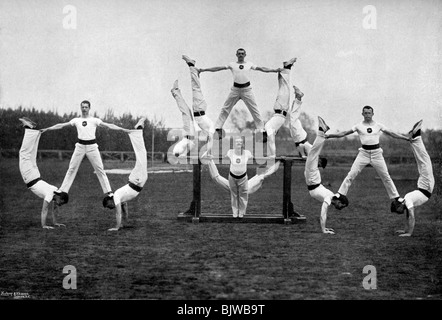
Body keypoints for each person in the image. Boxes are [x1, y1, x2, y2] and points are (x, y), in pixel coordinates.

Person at [40, 100, 131, 201]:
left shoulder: (94, 120)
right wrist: (47, 129)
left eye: (86, 107)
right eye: (82, 107)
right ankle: (62, 190)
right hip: (80, 146)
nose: (84, 109)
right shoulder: (76, 120)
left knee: (100, 169)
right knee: (71, 168)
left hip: (92, 146)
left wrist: (124, 130)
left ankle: (109, 192)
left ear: (89, 108)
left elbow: (109, 125)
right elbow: (61, 125)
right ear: (80, 108)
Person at [326, 106, 410, 204]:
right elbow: (344, 133)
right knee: (351, 174)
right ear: (362, 114)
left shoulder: (378, 125)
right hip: (363, 154)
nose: (367, 115)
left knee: (386, 176)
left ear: (372, 114)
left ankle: (396, 197)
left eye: (369, 113)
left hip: (377, 154)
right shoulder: (358, 126)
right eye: (365, 113)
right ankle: (340, 194)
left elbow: (392, 133)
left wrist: (406, 138)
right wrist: (329, 136)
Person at [197, 48, 282, 141]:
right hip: (235, 90)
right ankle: (217, 129)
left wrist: (274, 70)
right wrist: (203, 70)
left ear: (245, 55)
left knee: (255, 110)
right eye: (239, 54)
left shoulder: (249, 64)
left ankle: (261, 132)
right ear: (236, 55)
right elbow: (218, 68)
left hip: (247, 90)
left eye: (242, 54)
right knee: (225, 108)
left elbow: (262, 69)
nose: (241, 55)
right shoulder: (232, 65)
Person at [18, 117, 69, 229]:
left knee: (31, 154)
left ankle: (35, 132)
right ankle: (29, 128)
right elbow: (44, 209)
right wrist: (44, 225)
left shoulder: (56, 191)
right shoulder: (51, 194)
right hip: (30, 177)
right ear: (60, 197)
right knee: (24, 154)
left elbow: (55, 209)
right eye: (62, 202)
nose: (60, 204)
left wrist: (55, 223)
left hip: (36, 175)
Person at [305, 117, 349, 234]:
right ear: (339, 201)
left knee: (314, 152)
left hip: (314, 180)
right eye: (342, 206)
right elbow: (323, 213)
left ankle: (321, 131)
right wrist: (323, 229)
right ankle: (321, 131)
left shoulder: (330, 195)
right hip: (313, 179)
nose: (340, 208)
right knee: (314, 152)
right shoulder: (329, 198)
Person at [391, 120, 434, 237]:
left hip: (426, 185)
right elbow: (408, 217)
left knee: (423, 160)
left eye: (397, 210)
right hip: (424, 186)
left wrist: (408, 233)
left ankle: (416, 137)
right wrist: (405, 230)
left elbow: (412, 217)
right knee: (422, 160)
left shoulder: (408, 200)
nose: (398, 212)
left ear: (400, 205)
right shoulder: (407, 201)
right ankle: (415, 137)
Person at [103, 118, 148, 231]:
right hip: (138, 181)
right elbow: (124, 209)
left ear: (110, 200)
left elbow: (118, 213)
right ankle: (138, 131)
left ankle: (136, 131)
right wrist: (125, 222)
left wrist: (117, 227)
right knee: (142, 154)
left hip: (136, 180)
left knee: (141, 154)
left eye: (109, 206)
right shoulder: (120, 198)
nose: (111, 208)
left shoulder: (117, 196)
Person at [181, 55, 216, 156]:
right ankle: (191, 65)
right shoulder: (211, 129)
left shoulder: (205, 129)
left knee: (197, 88)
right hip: (199, 109)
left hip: (199, 110)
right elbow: (210, 142)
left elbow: (194, 140)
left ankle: (195, 72)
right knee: (196, 88)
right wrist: (208, 153)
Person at [264, 57, 297, 158]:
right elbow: (271, 141)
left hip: (281, 110)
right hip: (280, 108)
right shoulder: (269, 128)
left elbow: (271, 140)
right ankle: (287, 67)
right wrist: (272, 155)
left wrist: (271, 154)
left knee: (283, 87)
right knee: (284, 87)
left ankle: (287, 67)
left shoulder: (270, 128)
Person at [224, 137, 254, 218]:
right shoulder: (230, 152)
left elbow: (252, 157)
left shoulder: (247, 153)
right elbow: (225, 156)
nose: (238, 143)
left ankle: (241, 212)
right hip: (232, 177)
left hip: (243, 177)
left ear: (243, 144)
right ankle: (235, 212)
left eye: (240, 142)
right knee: (233, 194)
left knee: (243, 195)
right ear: (234, 144)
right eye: (236, 142)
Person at [170, 80, 196, 158]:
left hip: (188, 132)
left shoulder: (179, 148)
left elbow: (185, 147)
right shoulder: (183, 147)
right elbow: (187, 147)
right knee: (187, 110)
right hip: (189, 132)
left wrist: (182, 154)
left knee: (185, 110)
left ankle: (175, 92)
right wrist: (184, 154)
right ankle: (176, 92)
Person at [288, 86, 313, 158]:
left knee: (292, 117)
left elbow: (301, 147)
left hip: (298, 137)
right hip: (300, 137)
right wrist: (303, 155)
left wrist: (303, 155)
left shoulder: (305, 149)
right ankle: (298, 97)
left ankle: (297, 97)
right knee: (293, 118)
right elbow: (302, 146)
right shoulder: (309, 148)